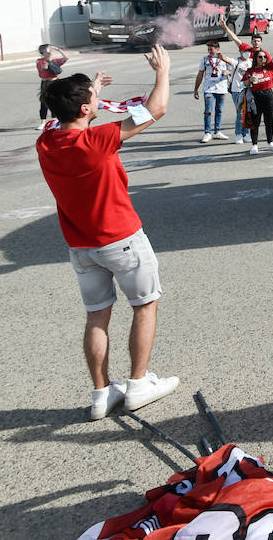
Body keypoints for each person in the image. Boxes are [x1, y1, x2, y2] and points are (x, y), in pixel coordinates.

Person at [35, 45, 179, 420]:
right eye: (93, 99)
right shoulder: (94, 141)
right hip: (121, 239)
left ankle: (101, 393)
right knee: (144, 306)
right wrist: (162, 71)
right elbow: (156, 109)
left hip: (80, 246)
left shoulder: (47, 140)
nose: (98, 99)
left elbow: (65, 114)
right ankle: (137, 384)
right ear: (85, 109)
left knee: (97, 316)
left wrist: (90, 87)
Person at [242, 42, 273, 154]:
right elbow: (244, 83)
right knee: (255, 122)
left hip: (268, 96)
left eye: (264, 57)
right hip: (255, 97)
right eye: (260, 57)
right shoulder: (250, 71)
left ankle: (270, 142)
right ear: (256, 59)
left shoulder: (269, 68)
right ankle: (254, 145)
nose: (263, 59)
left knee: (269, 121)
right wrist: (250, 80)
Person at [192, 41, 235, 143]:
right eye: (208, 49)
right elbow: (200, 74)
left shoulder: (224, 59)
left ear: (217, 49)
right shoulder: (205, 59)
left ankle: (217, 132)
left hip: (222, 88)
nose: (209, 51)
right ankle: (207, 133)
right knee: (208, 111)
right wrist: (196, 89)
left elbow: (234, 70)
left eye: (211, 49)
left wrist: (228, 72)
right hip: (209, 88)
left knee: (219, 110)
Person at [36, 44, 68, 130]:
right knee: (44, 102)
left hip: (55, 81)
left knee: (56, 101)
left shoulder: (54, 60)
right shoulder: (39, 61)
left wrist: (59, 50)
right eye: (48, 48)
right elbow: (44, 68)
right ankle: (43, 122)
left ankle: (55, 120)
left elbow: (66, 58)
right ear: (43, 51)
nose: (50, 49)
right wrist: (50, 57)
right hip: (45, 82)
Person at [229, 47, 253, 144]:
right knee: (240, 113)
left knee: (248, 112)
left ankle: (246, 133)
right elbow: (227, 60)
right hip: (237, 90)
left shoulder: (252, 62)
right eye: (244, 51)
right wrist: (221, 56)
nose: (247, 53)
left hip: (249, 90)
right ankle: (238, 134)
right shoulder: (236, 61)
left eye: (248, 51)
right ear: (240, 52)